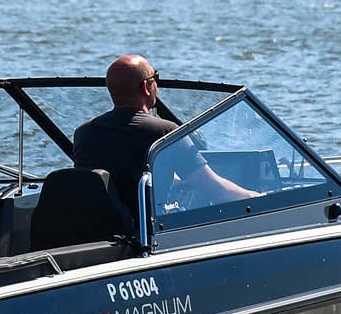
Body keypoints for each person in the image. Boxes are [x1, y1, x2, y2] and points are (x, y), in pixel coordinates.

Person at [72, 54, 256, 221]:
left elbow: (120, 176)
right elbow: (213, 189)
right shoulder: (164, 133)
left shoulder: (85, 133)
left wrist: (174, 181)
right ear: (146, 87)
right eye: (155, 78)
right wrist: (257, 197)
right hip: (144, 233)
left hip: (101, 228)